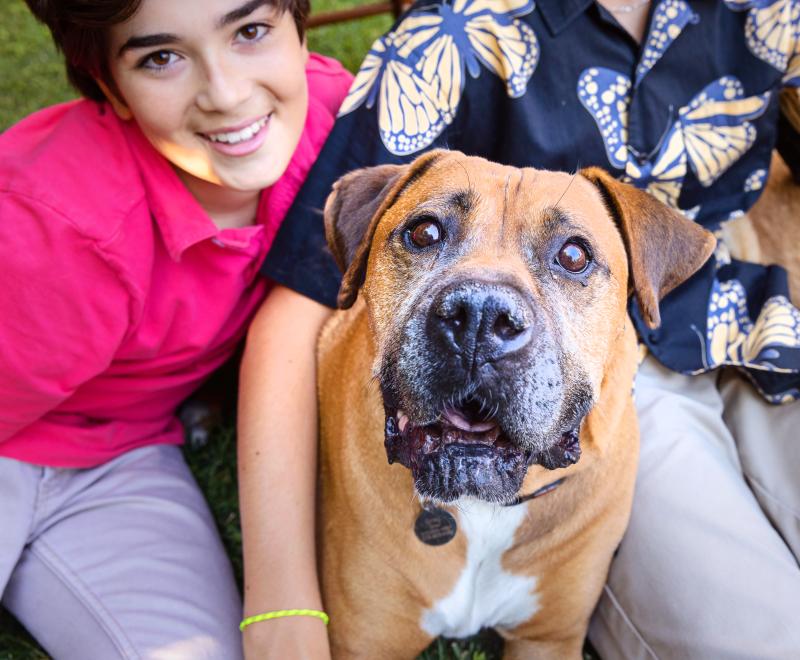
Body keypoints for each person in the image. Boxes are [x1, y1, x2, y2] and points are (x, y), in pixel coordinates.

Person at [238, 0, 800, 657]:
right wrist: (279, 598)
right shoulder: (453, 36)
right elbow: (300, 305)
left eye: (569, 255)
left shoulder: (771, 12)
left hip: (751, 320)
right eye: (427, 235)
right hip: (624, 385)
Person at [0, 0, 352, 657]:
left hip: (122, 455)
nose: (226, 94)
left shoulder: (343, 131)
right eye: (161, 58)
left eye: (250, 32)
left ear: (299, 32)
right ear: (112, 87)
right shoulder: (57, 236)